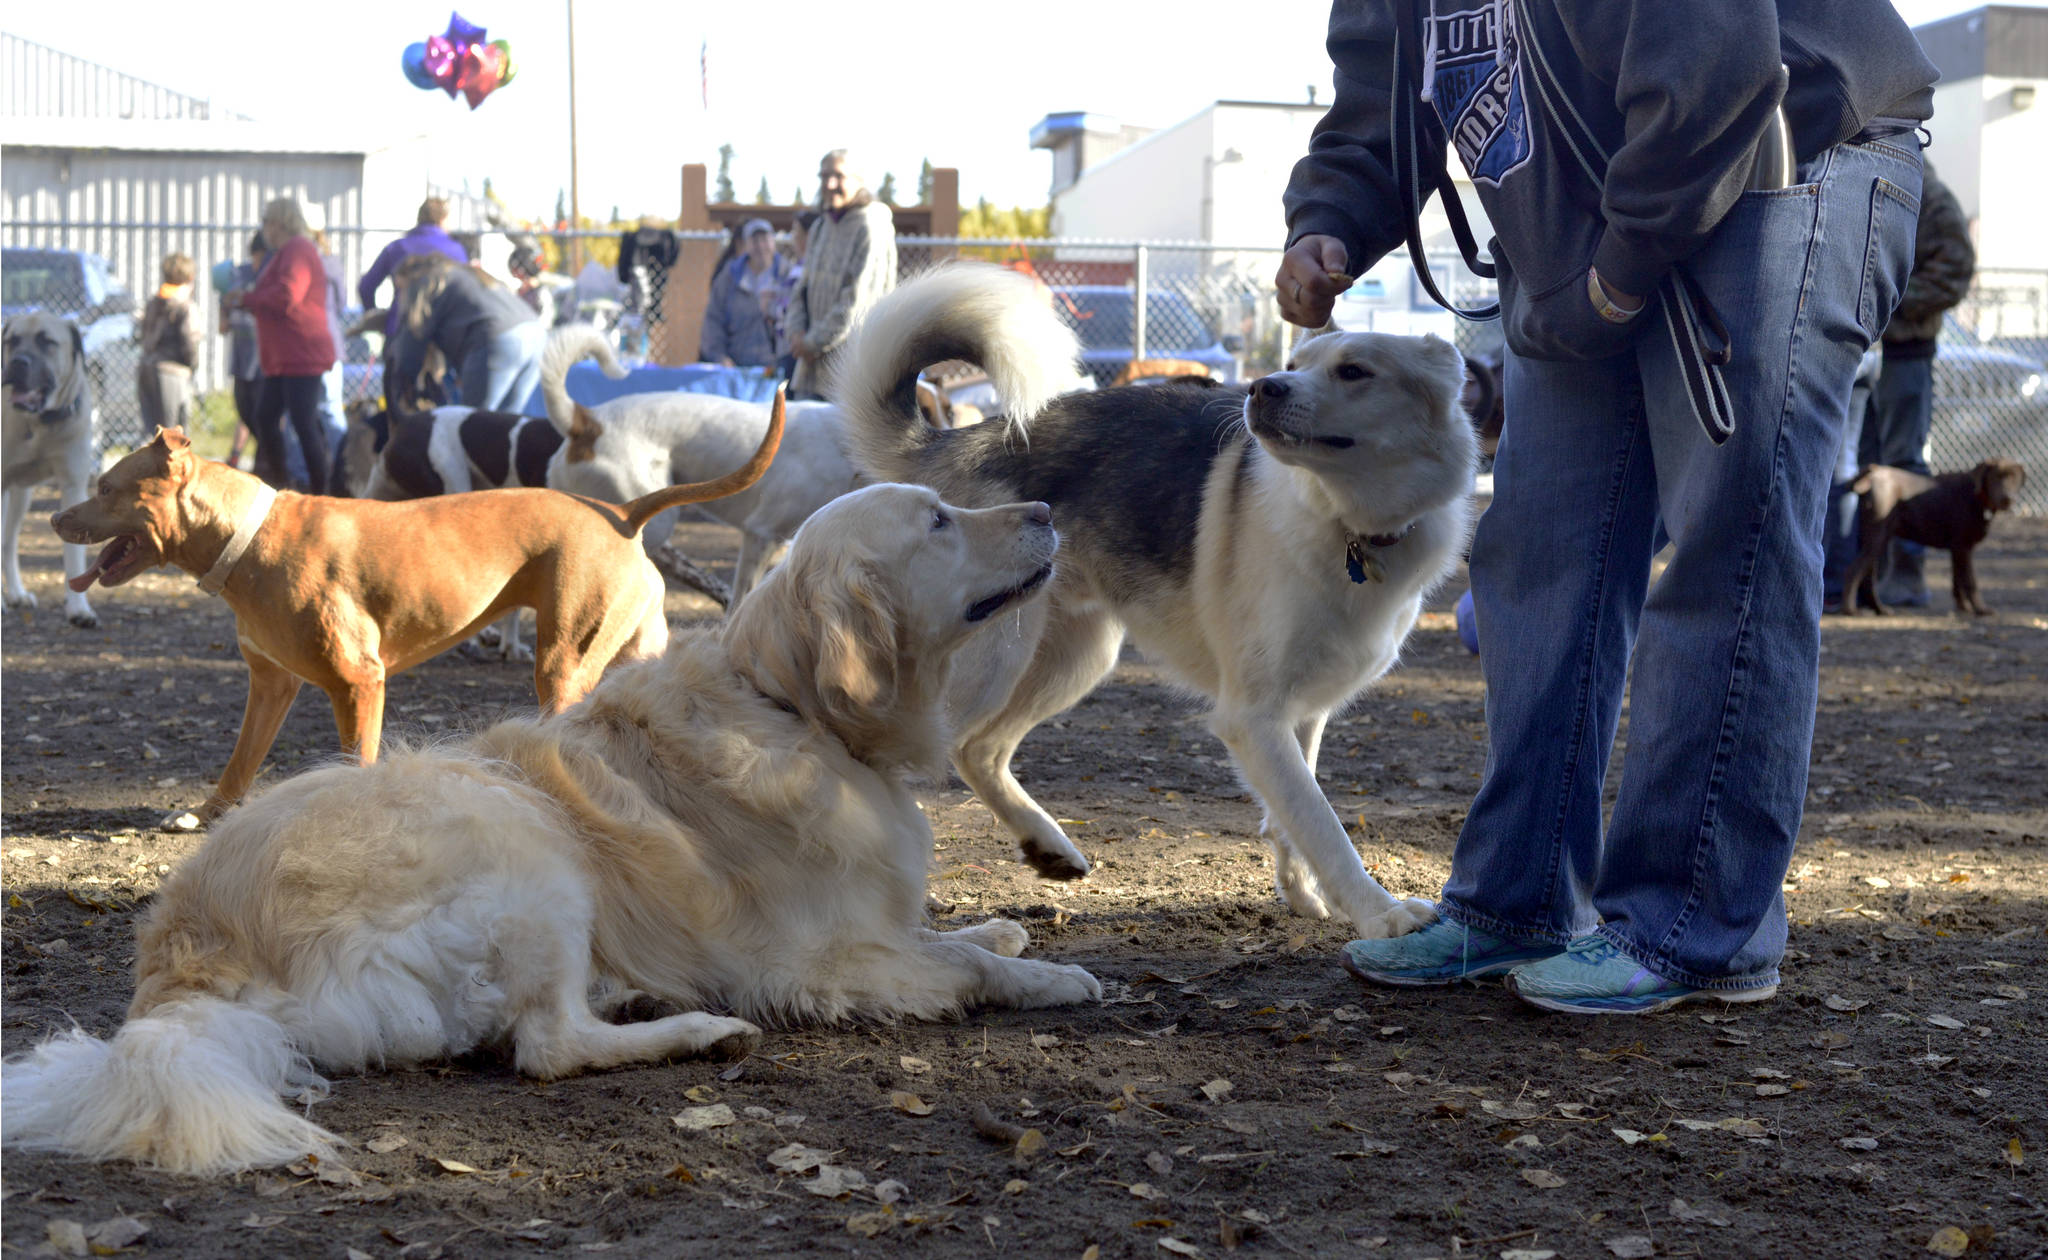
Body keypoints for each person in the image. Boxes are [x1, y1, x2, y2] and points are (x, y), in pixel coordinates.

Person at [1280, 0, 1935, 1014]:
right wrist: (1327, 219)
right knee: (1541, 554)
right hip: (1588, 217)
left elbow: (1709, 67)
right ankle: (1515, 900)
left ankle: (1691, 927)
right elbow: (1385, 87)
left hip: (1778, 154)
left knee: (1731, 545)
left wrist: (1618, 277)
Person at [1856, 162, 1976, 607]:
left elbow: (1955, 274)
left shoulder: (1935, 202)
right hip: (1869, 349)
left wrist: (1891, 303)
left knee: (1906, 463)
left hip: (1907, 351)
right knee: (1869, 466)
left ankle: (1907, 577)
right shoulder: (1880, 189)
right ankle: (1869, 578)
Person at [234, 198, 337, 492]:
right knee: (267, 418)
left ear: (278, 222)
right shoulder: (283, 253)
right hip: (285, 358)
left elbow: (288, 294)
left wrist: (247, 299)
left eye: (266, 221)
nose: (263, 228)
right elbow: (275, 292)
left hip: (301, 354)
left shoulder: (298, 250)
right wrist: (248, 298)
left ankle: (320, 493)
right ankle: (282, 484)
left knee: (302, 423)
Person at [786, 150, 897, 400]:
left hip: (851, 374)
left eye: (838, 176)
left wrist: (812, 343)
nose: (829, 184)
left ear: (859, 180)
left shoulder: (871, 225)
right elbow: (801, 288)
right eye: (824, 176)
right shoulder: (820, 226)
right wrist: (795, 332)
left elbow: (858, 301)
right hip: (810, 370)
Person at [385, 255, 547, 412]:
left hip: (497, 337)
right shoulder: (461, 272)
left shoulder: (423, 281)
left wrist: (403, 386)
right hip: (535, 333)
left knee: (474, 424)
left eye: (398, 289)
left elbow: (413, 336)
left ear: (406, 278)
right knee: (508, 423)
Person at [357, 198, 469, 336]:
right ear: (442, 219)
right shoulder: (456, 251)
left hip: (400, 329)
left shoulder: (396, 248)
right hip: (444, 335)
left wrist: (376, 317)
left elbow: (366, 287)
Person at [701, 218, 795, 369]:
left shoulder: (788, 275)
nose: (760, 246)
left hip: (778, 365)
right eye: (754, 240)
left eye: (765, 239)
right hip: (737, 366)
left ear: (774, 242)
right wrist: (719, 357)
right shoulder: (730, 276)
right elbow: (713, 320)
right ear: (746, 245)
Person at [136, 252, 199, 431]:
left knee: (152, 431)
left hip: (146, 367)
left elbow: (143, 334)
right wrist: (192, 365)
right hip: (172, 371)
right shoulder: (184, 305)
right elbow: (188, 340)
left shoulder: (154, 302)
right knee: (172, 435)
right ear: (190, 278)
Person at [221, 233, 267, 470]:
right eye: (256, 257)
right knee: (244, 408)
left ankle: (265, 463)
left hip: (264, 360)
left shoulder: (271, 275)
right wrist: (224, 316)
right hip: (242, 356)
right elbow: (225, 299)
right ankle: (241, 457)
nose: (258, 263)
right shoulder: (240, 273)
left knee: (263, 415)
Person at [774, 210, 818, 383]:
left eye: (797, 232)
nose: (794, 238)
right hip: (789, 348)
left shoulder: (808, 269)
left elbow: (791, 307)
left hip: (796, 350)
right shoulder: (798, 266)